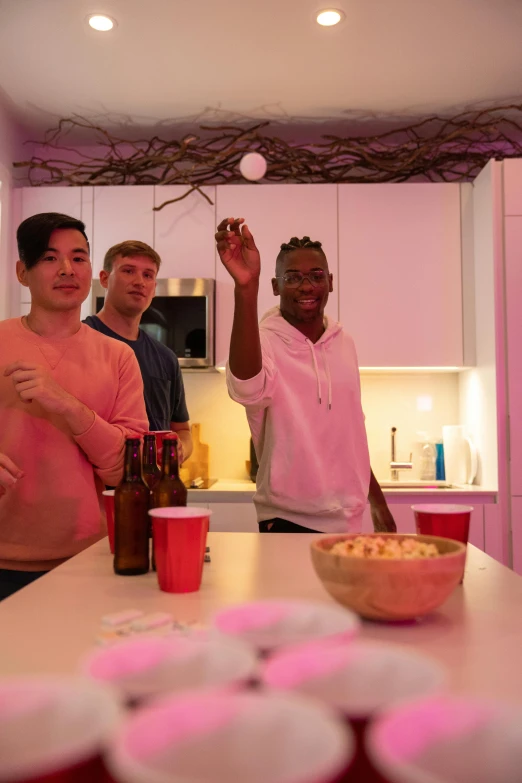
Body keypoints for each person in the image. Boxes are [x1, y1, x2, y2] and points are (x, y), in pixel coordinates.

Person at [215, 217, 396, 534]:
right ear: (276, 286)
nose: (307, 286)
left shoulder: (345, 343)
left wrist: (377, 502)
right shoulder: (262, 342)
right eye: (293, 277)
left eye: (316, 276)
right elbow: (246, 389)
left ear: (331, 281)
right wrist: (246, 287)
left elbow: (351, 433)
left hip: (349, 520)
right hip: (287, 519)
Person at [0, 213, 148, 599]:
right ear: (22, 272)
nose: (67, 269)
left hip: (89, 559)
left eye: (78, 258)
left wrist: (66, 404)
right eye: (50, 258)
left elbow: (126, 472)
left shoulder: (119, 357)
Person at [83, 241, 192, 463]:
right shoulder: (79, 340)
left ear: (155, 287)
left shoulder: (166, 358)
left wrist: (180, 448)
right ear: (104, 278)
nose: (139, 282)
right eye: (128, 271)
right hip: (94, 488)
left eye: (148, 275)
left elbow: (182, 430)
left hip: (152, 489)